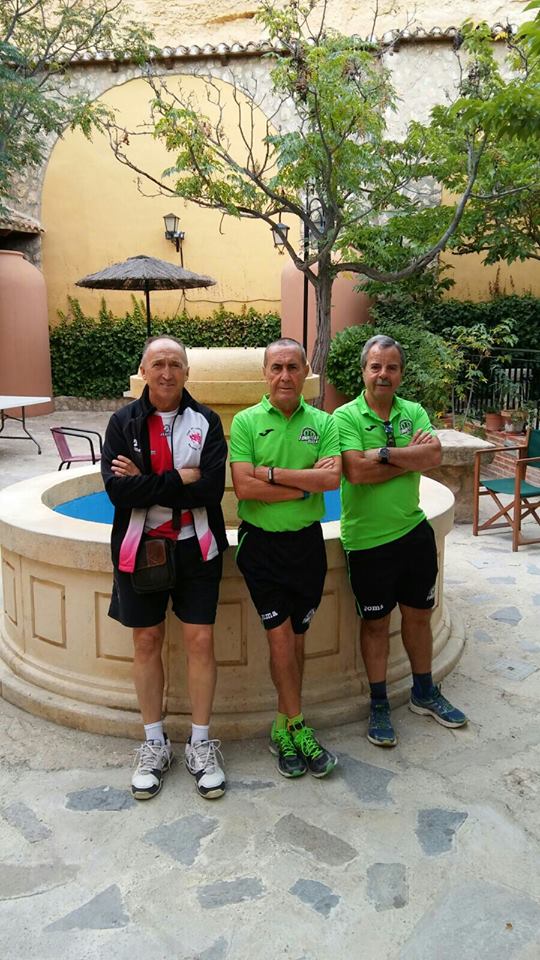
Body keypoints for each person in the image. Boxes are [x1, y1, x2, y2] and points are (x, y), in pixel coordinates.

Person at [101, 335, 228, 800]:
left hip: (196, 548)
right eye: (158, 364)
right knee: (146, 640)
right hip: (142, 548)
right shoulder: (122, 423)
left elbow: (210, 490)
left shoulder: (206, 421)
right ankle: (155, 743)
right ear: (144, 371)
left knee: (200, 641)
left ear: (187, 372)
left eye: (176, 363)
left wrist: (149, 483)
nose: (167, 372)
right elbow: (118, 492)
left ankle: (200, 743)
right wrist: (179, 479)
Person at [333, 334, 467, 747]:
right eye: (376, 366)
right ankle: (379, 703)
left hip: (414, 533)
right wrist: (408, 456)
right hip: (367, 541)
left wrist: (383, 454)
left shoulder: (413, 412)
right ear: (363, 371)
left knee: (419, 616)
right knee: (375, 624)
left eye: (391, 367)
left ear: (401, 373)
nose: (383, 374)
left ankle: (424, 692)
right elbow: (356, 472)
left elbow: (433, 456)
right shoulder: (345, 416)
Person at [229, 337, 341, 779]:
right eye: (276, 367)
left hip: (307, 546)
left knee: (297, 639)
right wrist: (302, 486)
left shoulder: (323, 422)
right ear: (265, 373)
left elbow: (330, 481)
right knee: (280, 640)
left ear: (305, 373)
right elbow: (244, 487)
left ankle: (282, 724)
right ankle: (298, 726)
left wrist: (273, 475)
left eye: (293, 367)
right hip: (261, 547)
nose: (285, 376)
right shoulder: (246, 422)